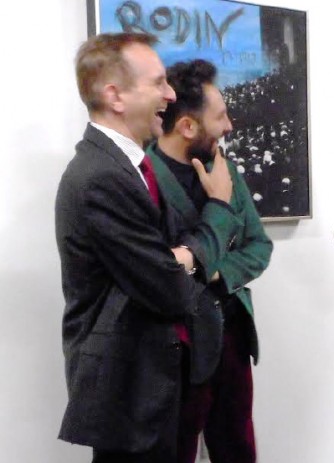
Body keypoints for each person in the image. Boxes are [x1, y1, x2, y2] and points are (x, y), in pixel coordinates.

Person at [56, 33, 236, 462]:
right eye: (158, 83)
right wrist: (218, 209)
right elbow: (169, 287)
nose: (170, 95)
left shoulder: (131, 165)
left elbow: (166, 264)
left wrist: (178, 259)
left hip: (156, 384)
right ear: (115, 95)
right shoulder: (101, 177)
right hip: (130, 390)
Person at [146, 59, 273, 462]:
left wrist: (216, 269)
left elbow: (259, 246)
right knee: (176, 448)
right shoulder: (142, 178)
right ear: (187, 126)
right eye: (220, 116)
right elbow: (156, 270)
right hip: (175, 346)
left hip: (231, 335)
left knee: (237, 446)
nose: (229, 125)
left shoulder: (227, 171)